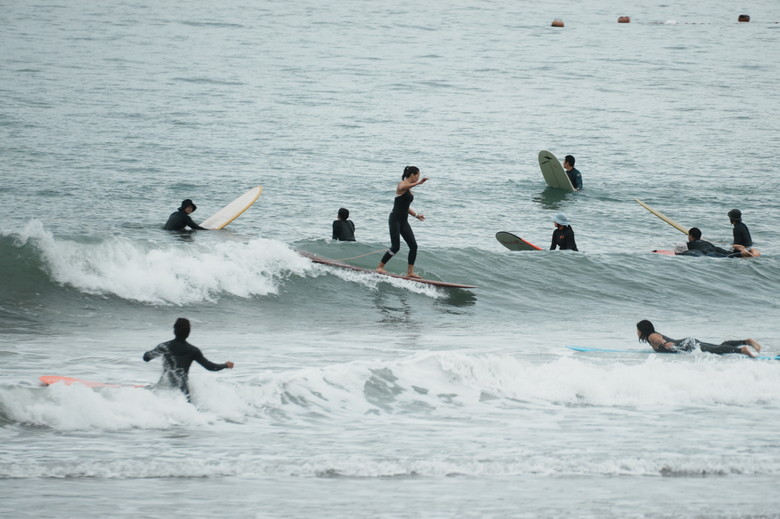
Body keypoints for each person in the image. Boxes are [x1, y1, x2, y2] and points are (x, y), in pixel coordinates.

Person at [143, 318, 234, 401]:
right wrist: (225, 365)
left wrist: (151, 352)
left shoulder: (165, 346)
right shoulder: (193, 350)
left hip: (164, 389)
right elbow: (210, 367)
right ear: (188, 332)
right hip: (183, 393)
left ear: (174, 330)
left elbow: (146, 358)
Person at [376, 165, 428, 277]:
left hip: (404, 221)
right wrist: (418, 183)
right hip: (395, 219)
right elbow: (402, 186)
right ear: (412, 175)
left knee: (413, 246)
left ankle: (410, 272)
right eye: (417, 176)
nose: (418, 178)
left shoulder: (408, 189)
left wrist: (416, 215)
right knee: (395, 247)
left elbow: (405, 206)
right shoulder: (402, 185)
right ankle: (380, 267)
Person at [636, 319, 761, 357]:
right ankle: (746, 341)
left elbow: (657, 339)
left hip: (688, 345)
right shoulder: (653, 334)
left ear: (643, 330)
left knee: (717, 350)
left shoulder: (651, 336)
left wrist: (664, 344)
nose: (637, 332)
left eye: (638, 329)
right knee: (719, 347)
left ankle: (742, 350)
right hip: (688, 343)